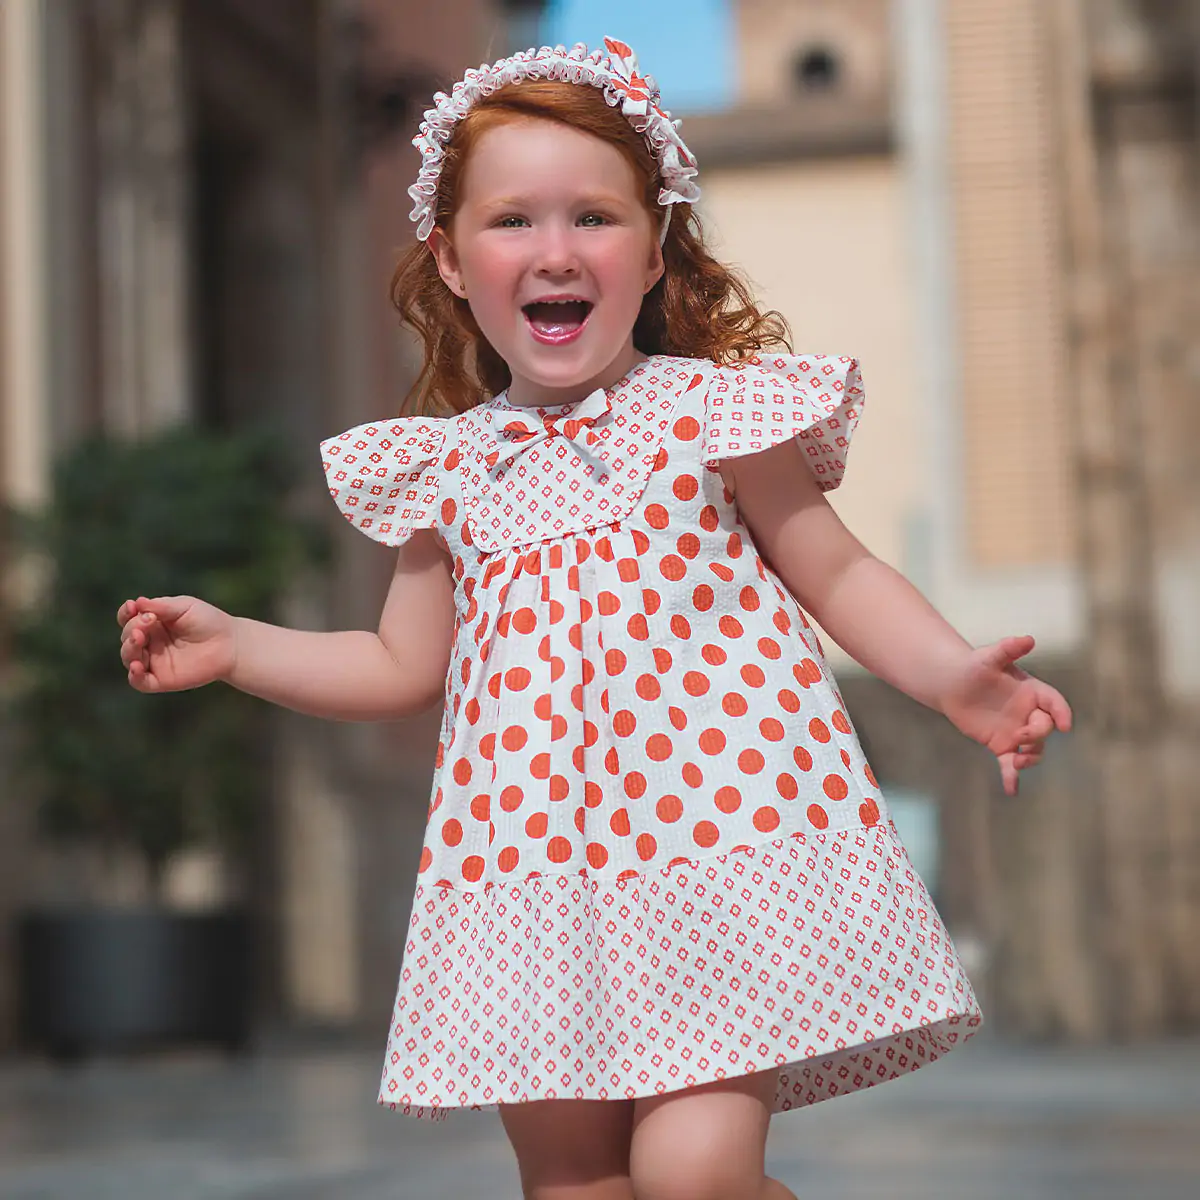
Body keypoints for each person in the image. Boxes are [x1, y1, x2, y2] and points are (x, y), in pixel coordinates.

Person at [118, 37, 1072, 1200]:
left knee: (694, 1173)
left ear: (655, 249)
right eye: (513, 220)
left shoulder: (715, 416)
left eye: (595, 218)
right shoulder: (445, 472)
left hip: (718, 851)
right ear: (451, 259)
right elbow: (397, 663)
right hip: (529, 880)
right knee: (574, 1183)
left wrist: (954, 676)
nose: (556, 250)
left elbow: (838, 573)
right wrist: (237, 647)